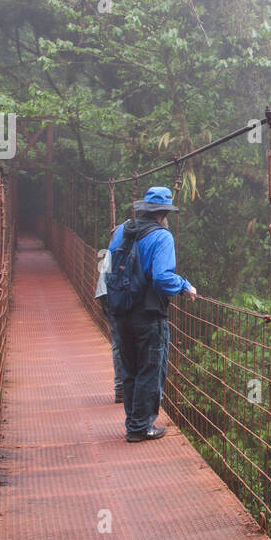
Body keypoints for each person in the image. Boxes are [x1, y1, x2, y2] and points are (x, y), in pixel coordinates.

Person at [108, 186, 197, 442]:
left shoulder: (123, 231)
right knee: (150, 369)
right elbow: (161, 279)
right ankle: (140, 427)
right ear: (163, 214)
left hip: (121, 311)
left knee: (130, 369)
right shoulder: (162, 237)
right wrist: (184, 285)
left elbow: (111, 268)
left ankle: (132, 423)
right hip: (148, 315)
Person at [94, 245, 125, 403]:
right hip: (112, 294)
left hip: (105, 293)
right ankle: (122, 388)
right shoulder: (126, 244)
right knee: (121, 342)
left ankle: (122, 387)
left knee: (118, 341)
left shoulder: (117, 244)